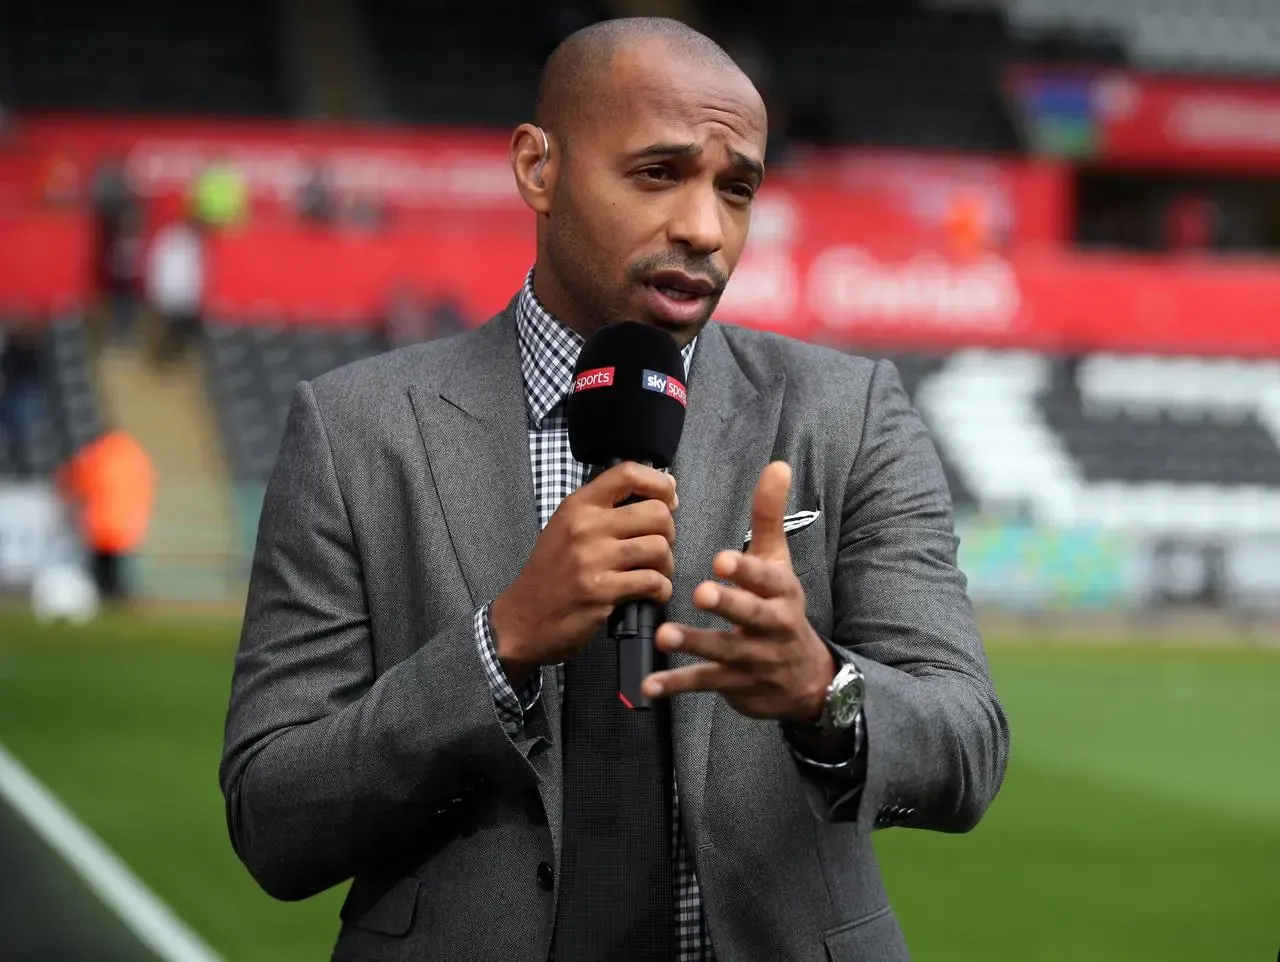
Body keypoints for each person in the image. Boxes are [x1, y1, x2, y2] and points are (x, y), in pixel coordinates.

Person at [220, 18, 1009, 962]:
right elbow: (273, 817)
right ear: (537, 169)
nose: (704, 228)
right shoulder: (356, 431)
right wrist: (496, 646)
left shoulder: (850, 413)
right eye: (657, 173)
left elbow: (967, 746)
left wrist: (821, 689)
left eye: (737, 188)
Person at [55, 427, 156, 604]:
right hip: (125, 523)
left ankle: (106, 595)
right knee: (118, 566)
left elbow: (78, 479)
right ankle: (118, 595)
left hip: (100, 521)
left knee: (102, 566)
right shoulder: (135, 456)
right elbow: (145, 486)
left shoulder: (98, 455)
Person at [144, 213, 206, 365]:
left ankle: (177, 359)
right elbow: (157, 265)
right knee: (167, 330)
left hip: (187, 298)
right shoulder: (170, 238)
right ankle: (162, 359)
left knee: (183, 331)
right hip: (170, 295)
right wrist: (155, 292)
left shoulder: (198, 243)